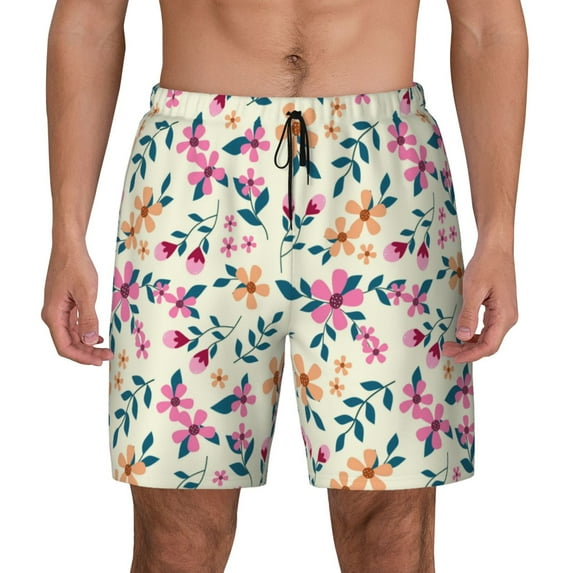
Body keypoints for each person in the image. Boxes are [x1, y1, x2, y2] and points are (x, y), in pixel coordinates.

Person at [42, 0, 527, 571]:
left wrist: (499, 236)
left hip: (384, 181)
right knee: (176, 535)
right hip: (194, 169)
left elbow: (487, 25)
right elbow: (89, 23)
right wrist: (66, 235)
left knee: (390, 530)